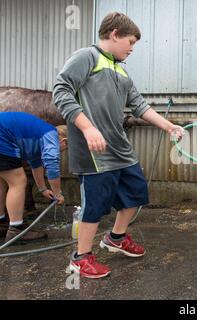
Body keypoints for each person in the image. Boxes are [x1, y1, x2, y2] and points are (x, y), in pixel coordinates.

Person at [53, 12, 184, 279]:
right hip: (95, 153)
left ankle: (116, 237)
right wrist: (88, 127)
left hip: (120, 149)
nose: (132, 49)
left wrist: (167, 126)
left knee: (136, 194)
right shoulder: (86, 57)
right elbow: (60, 90)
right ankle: (81, 258)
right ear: (114, 34)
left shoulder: (120, 69)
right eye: (131, 42)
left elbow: (140, 105)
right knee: (95, 206)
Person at [0, 112, 67, 243]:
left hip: (3, 134)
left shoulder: (38, 136)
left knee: (1, 181)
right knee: (18, 181)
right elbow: (52, 163)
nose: (62, 151)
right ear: (63, 141)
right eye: (65, 148)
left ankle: (1, 223)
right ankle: (16, 231)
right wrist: (58, 193)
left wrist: (42, 189)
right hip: (3, 137)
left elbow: (36, 163)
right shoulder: (51, 134)